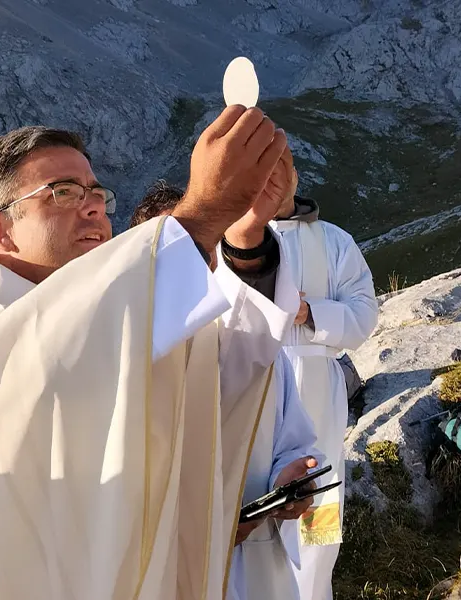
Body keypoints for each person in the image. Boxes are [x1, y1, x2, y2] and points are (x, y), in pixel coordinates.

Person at [0, 105, 305, 600]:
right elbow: (45, 375)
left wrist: (245, 235)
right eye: (62, 193)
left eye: (97, 194)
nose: (93, 208)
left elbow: (223, 373)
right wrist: (199, 217)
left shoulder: (122, 320)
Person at [130, 179, 321, 600]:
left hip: (259, 565)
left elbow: (297, 442)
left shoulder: (256, 347)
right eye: (178, 250)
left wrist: (292, 480)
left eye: (205, 247)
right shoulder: (132, 357)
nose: (197, 264)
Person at [271, 172, 378, 600]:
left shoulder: (333, 241)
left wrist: (309, 312)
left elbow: (364, 314)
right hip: (253, 383)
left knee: (322, 497)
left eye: (282, 170)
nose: (271, 181)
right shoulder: (232, 239)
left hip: (317, 381)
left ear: (294, 177)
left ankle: (314, 590)